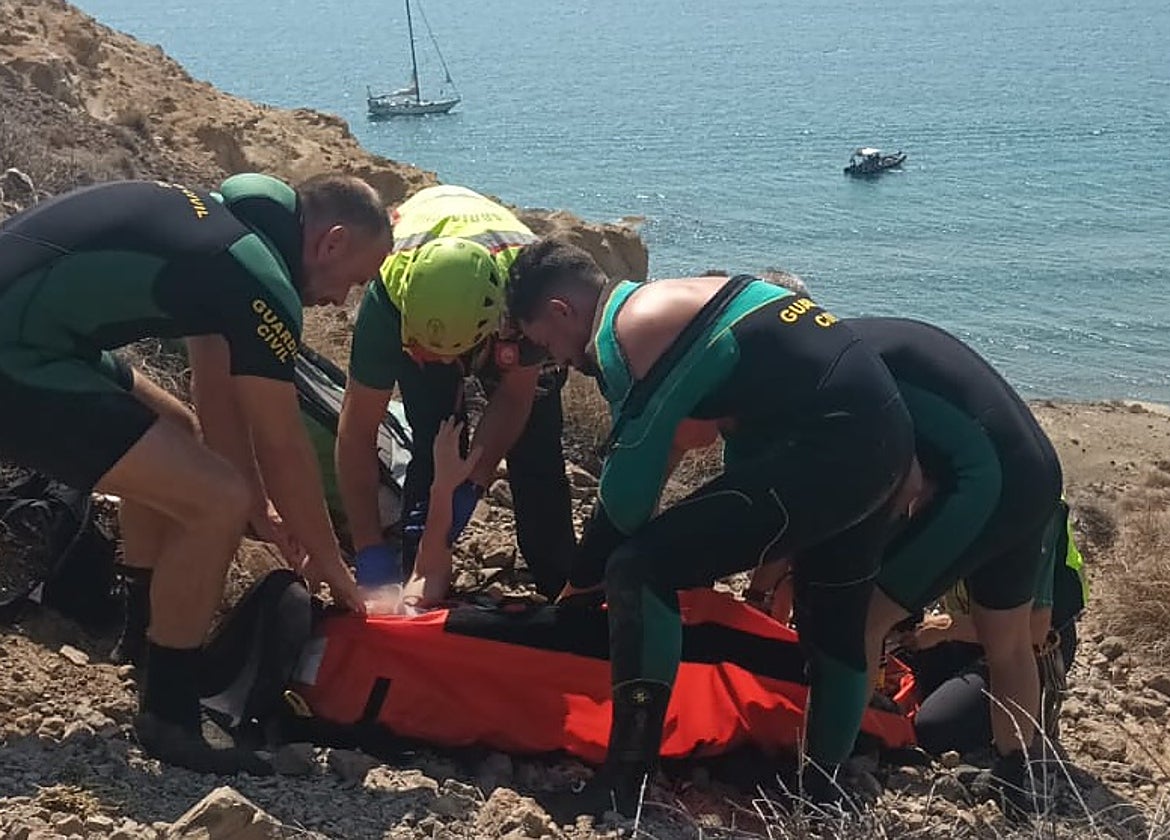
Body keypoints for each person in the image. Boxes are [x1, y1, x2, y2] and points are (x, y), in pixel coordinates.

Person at [504, 239, 916, 817]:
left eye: (546, 344)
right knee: (834, 624)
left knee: (638, 568)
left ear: (560, 311)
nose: (559, 361)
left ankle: (624, 784)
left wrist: (580, 588)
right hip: (885, 438)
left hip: (830, 446)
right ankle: (821, 792)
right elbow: (706, 440)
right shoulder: (682, 299)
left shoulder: (626, 331)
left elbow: (627, 496)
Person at [0, 172, 391, 773]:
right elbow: (282, 444)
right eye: (354, 282)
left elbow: (215, 400)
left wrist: (261, 510)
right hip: (18, 354)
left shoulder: (230, 224)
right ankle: (169, 716)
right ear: (332, 242)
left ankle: (143, 639)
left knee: (177, 433)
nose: (341, 301)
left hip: (41, 333)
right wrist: (338, 573)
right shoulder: (260, 281)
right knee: (214, 502)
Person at [744, 310, 1065, 812]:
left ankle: (830, 765)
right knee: (1008, 642)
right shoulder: (854, 340)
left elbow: (905, 484)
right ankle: (1020, 784)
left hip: (983, 481)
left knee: (861, 619)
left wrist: (815, 573)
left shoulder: (828, 375)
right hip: (1038, 474)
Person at [336, 184, 575, 603]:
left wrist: (471, 485)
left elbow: (515, 398)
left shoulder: (529, 298)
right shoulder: (387, 303)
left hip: (502, 294)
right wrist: (369, 547)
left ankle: (560, 583)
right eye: (434, 352)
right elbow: (356, 432)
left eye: (455, 354)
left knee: (536, 443)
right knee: (435, 436)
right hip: (432, 298)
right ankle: (417, 567)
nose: (448, 364)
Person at [900, 498, 1086, 756]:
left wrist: (947, 629)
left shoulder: (1033, 504)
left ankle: (1023, 726)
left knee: (934, 729)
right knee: (899, 661)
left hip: (1031, 647)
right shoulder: (954, 497)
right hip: (971, 632)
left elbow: (1035, 628)